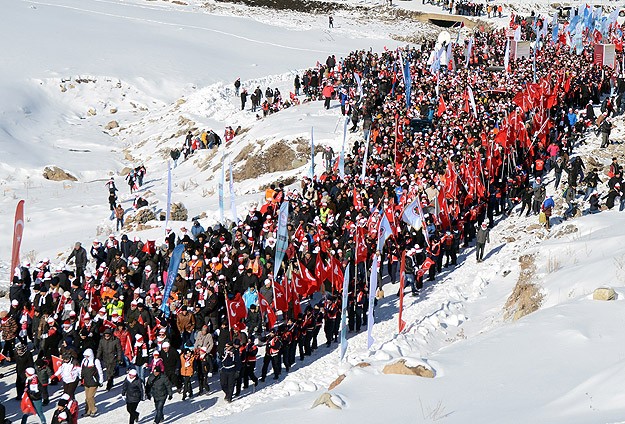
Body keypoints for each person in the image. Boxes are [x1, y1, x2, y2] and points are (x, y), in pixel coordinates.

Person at [80, 348, 103, 417]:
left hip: (93, 382)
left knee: (90, 397)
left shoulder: (95, 361)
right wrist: (80, 378)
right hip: (86, 381)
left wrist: (101, 380)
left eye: (88, 356)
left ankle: (93, 409)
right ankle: (87, 411)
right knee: (87, 398)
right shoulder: (84, 361)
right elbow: (81, 369)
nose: (86, 357)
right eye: (85, 356)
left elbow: (100, 371)